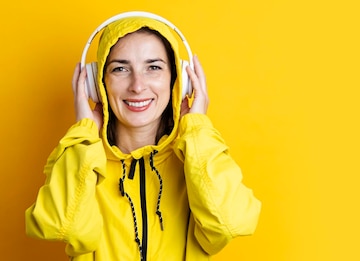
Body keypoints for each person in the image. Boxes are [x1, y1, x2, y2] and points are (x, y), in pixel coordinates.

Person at [25, 13, 261, 260]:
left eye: (153, 67)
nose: (137, 85)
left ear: (177, 80)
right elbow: (63, 227)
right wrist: (84, 133)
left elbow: (228, 224)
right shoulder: (85, 160)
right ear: (98, 84)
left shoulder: (195, 158)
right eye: (120, 68)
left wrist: (197, 128)